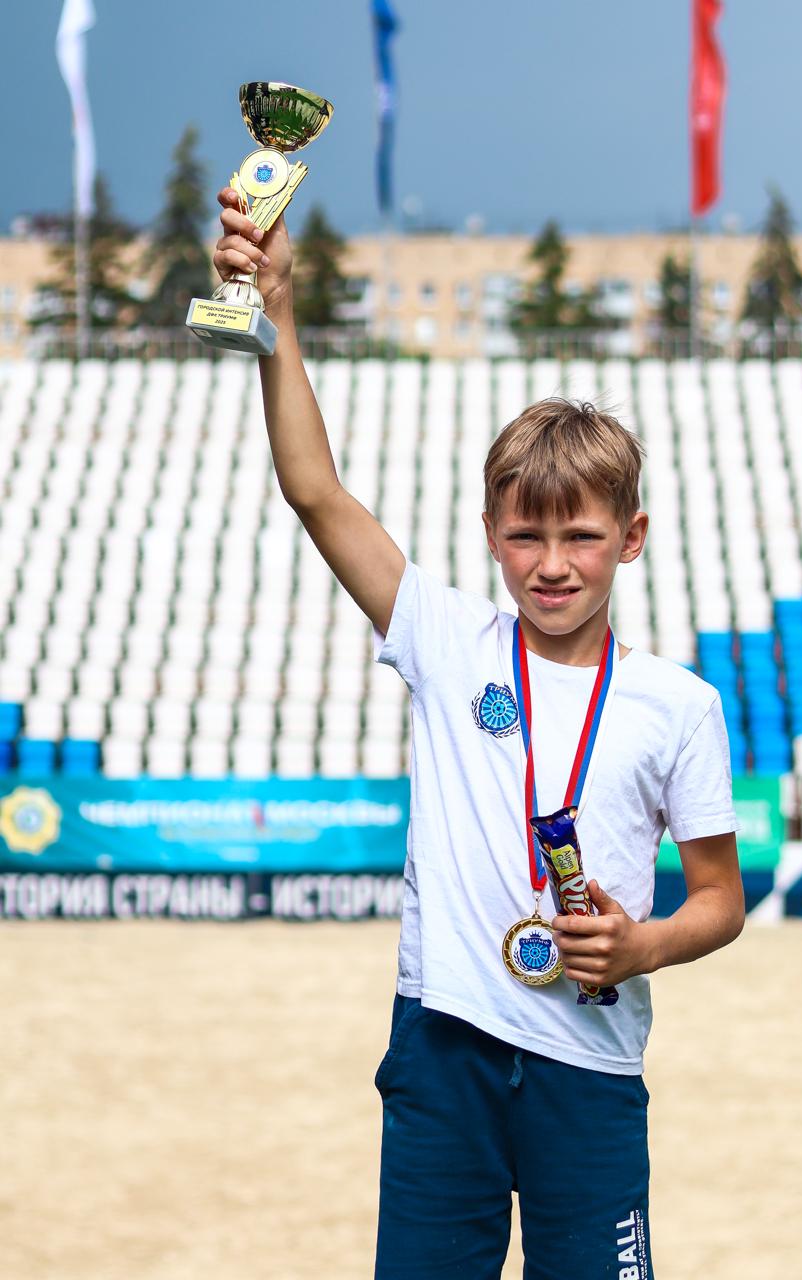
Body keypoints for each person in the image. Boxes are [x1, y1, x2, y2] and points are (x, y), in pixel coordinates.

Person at [214, 189, 745, 1280]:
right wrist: (277, 308)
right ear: (492, 533)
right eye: (526, 535)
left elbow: (719, 901)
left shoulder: (680, 705)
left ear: (631, 537)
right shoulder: (447, 639)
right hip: (442, 1048)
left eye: (581, 536)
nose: (552, 565)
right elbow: (314, 492)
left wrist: (643, 946)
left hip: (589, 1068)